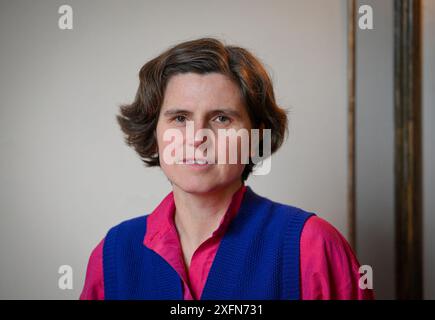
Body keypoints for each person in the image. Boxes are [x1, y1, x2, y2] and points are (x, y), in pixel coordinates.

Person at [80, 38, 374, 300]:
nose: (198, 137)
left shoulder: (312, 247)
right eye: (180, 118)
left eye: (221, 119)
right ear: (153, 133)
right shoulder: (113, 256)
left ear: (255, 137)